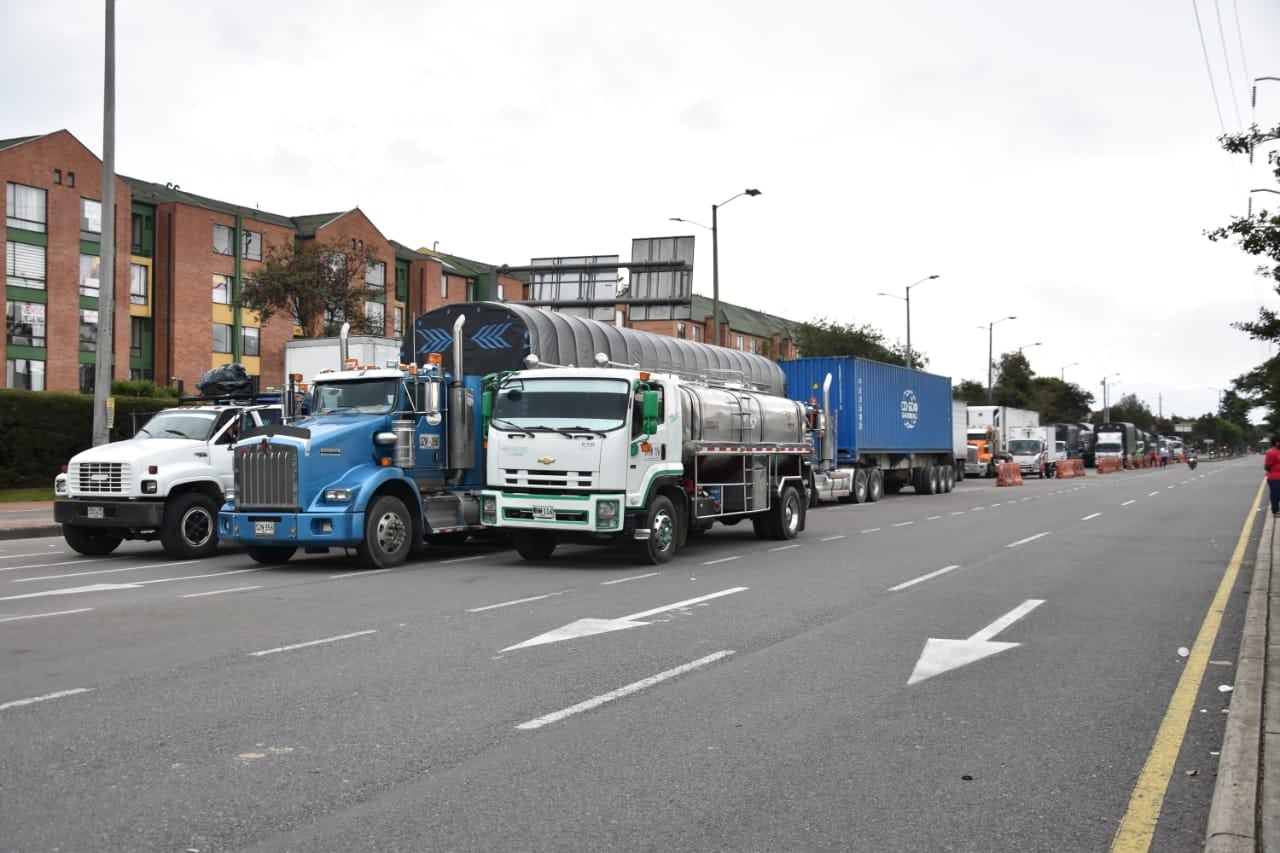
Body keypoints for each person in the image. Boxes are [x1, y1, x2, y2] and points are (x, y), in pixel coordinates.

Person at [1266, 437, 1280, 517]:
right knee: (1275, 495)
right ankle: (1275, 511)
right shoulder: (1271, 452)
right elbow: (1267, 466)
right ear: (1276, 442)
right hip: (1275, 478)